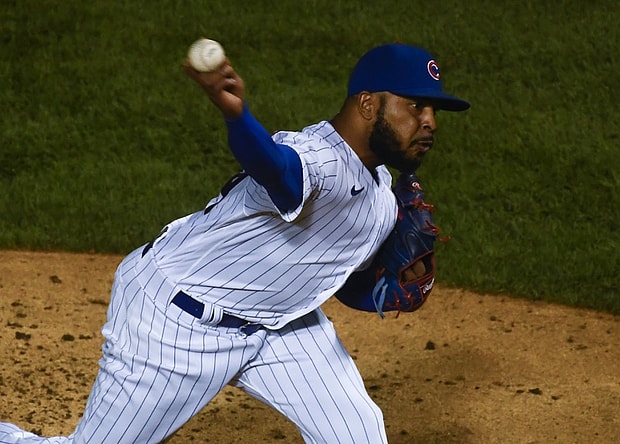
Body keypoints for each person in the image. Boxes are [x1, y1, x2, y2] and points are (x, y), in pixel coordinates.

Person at [0, 42, 469, 444]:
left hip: (278, 327)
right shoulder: (319, 160)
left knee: (358, 432)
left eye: (433, 112)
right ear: (368, 105)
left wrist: (382, 289)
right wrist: (238, 116)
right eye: (414, 106)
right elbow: (277, 169)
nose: (429, 123)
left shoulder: (383, 194)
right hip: (176, 322)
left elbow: (339, 280)